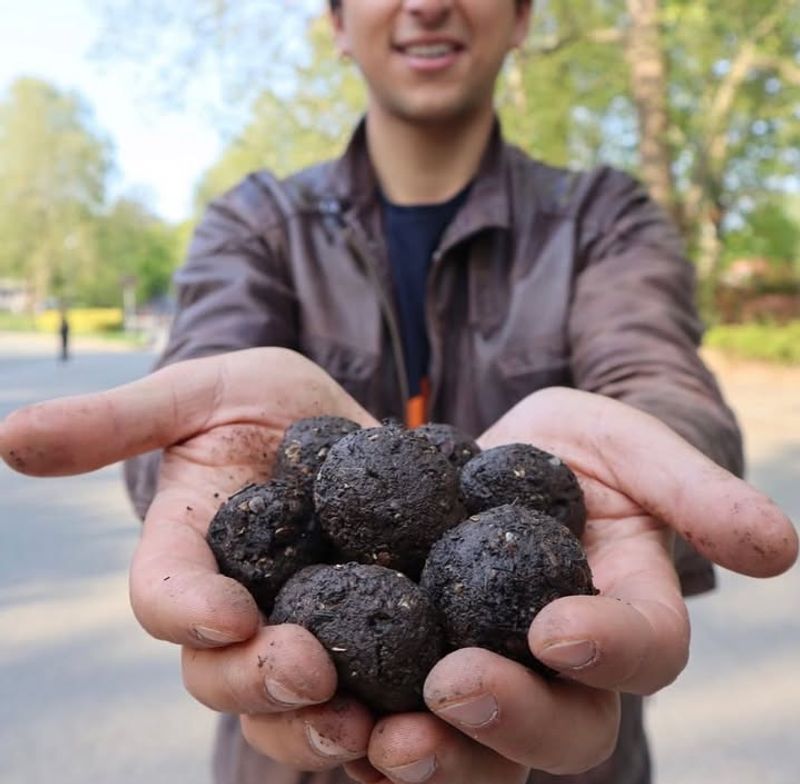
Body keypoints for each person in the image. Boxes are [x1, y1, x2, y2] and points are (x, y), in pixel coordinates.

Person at [0, 2, 796, 784]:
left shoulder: (603, 219)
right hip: (300, 745)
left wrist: (650, 457)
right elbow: (201, 373)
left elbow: (655, 375)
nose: (427, 5)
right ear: (337, 23)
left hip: (552, 748)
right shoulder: (257, 223)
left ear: (522, 18)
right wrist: (199, 456)